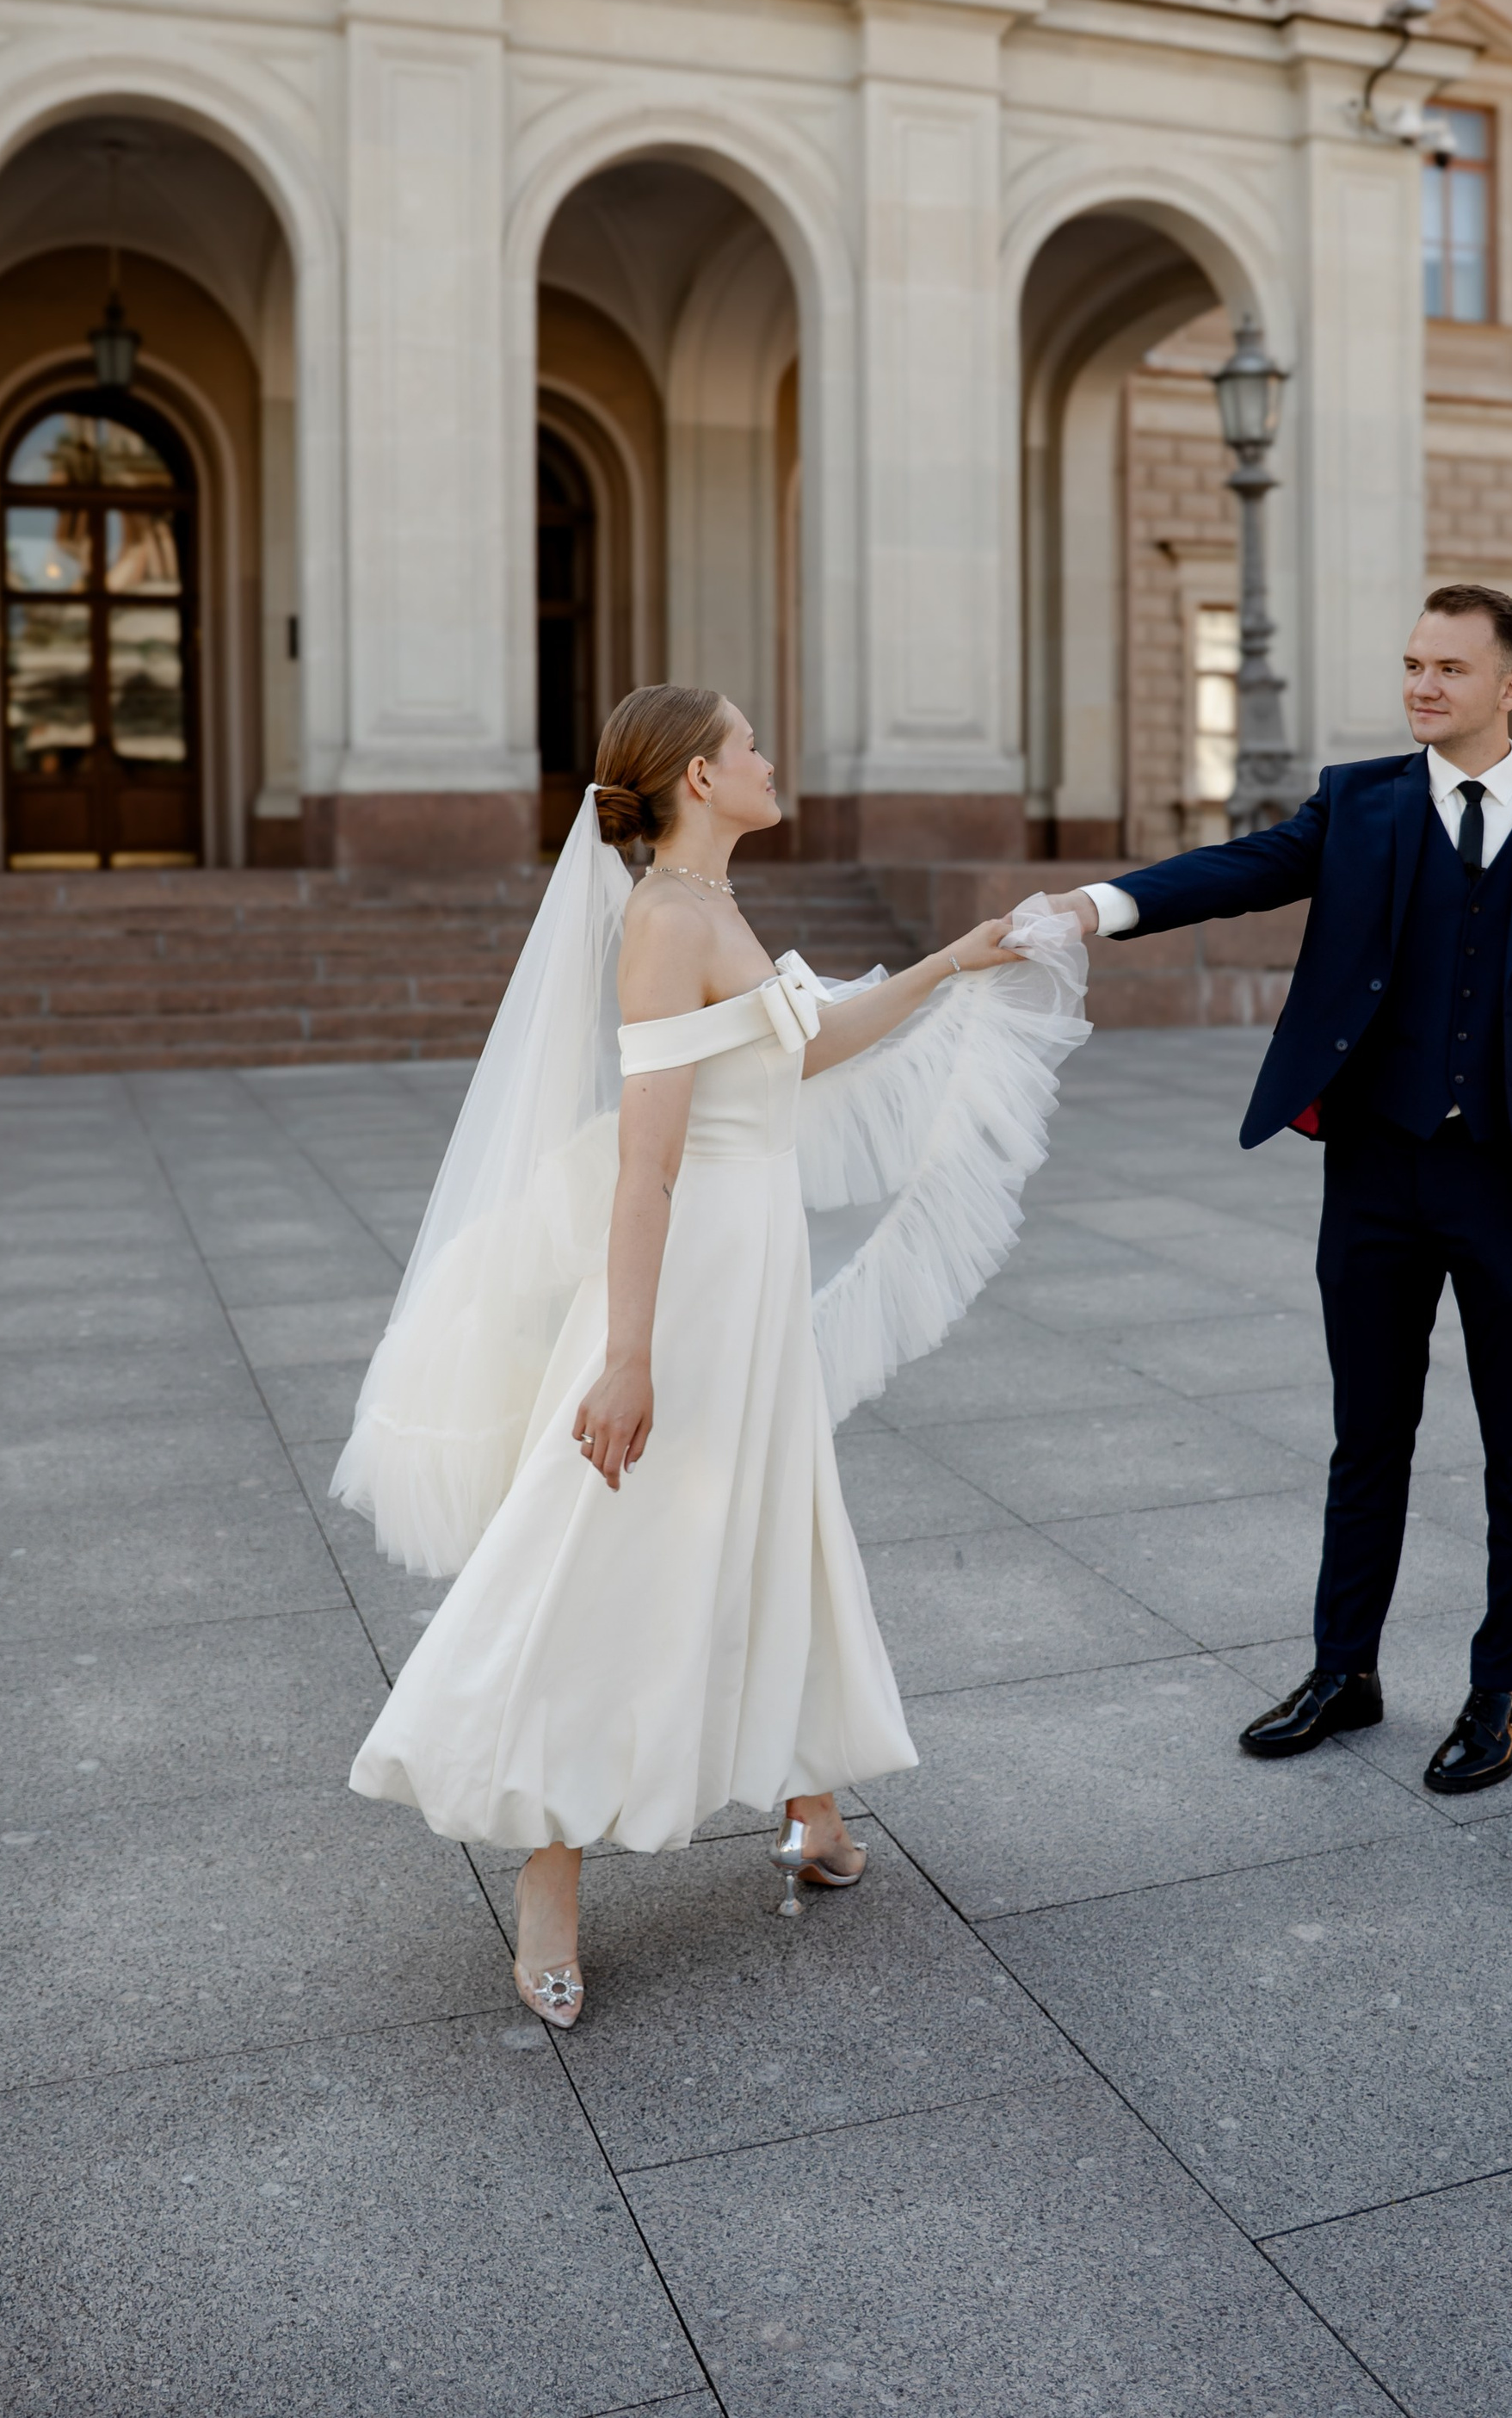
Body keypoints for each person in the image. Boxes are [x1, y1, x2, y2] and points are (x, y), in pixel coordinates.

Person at [333, 685, 1086, 2025]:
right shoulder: (666, 924)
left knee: (773, 1526)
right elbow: (646, 1161)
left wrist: (946, 965)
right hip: (684, 1285)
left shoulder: (717, 906)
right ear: (699, 773)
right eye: (750, 744)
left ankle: (813, 1806)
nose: (769, 758)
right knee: (604, 1548)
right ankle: (549, 1879)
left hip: (752, 1271)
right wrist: (624, 1356)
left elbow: (805, 1049)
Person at [1059, 585, 1512, 1796]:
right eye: (1414, 664)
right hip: (1375, 1173)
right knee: (1366, 1434)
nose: (1424, 686)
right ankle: (1346, 1669)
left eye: (1450, 669)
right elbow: (1243, 869)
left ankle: (1503, 1692)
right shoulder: (1361, 802)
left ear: (1511, 688)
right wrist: (1101, 907)